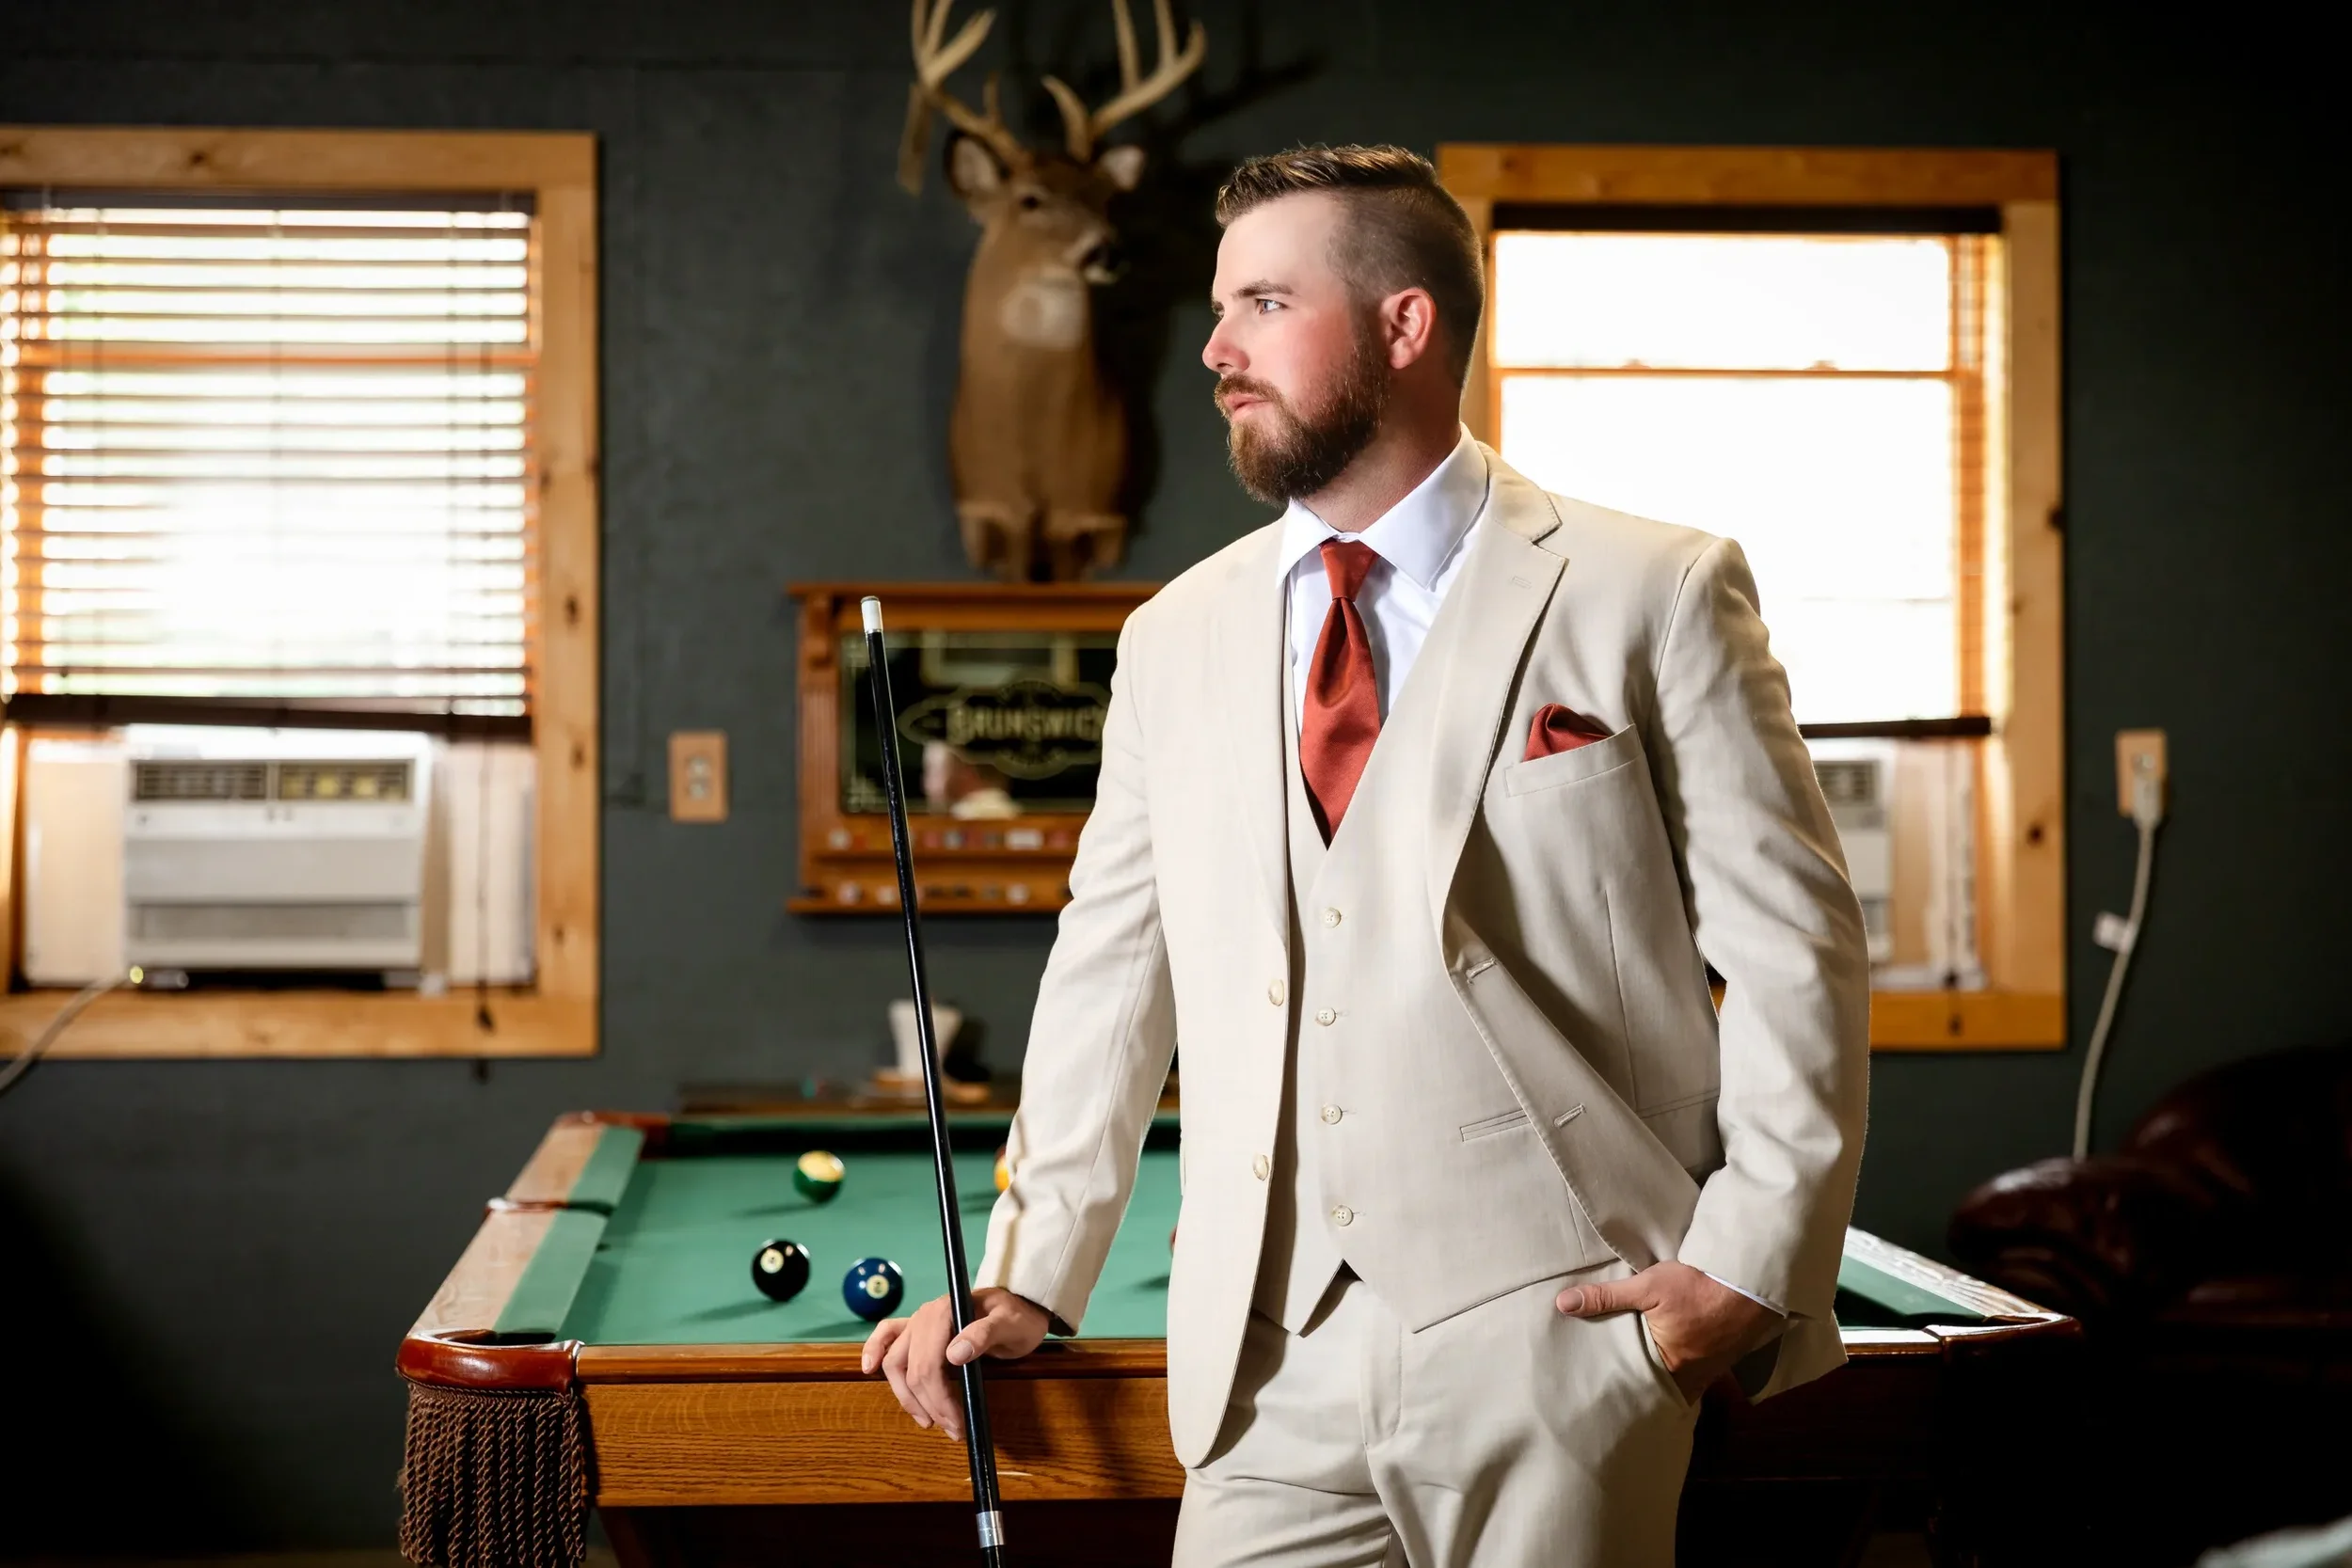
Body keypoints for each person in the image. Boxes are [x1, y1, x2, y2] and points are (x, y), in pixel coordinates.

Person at [862, 143, 1871, 1567]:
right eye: (1221, 308)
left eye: (1265, 303)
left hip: (1566, 1341)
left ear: (1405, 326)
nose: (1215, 348)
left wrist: (1748, 1267)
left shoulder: (1654, 589)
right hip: (1264, 1363)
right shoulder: (1173, 637)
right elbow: (1110, 974)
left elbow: (1796, 952)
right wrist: (1031, 1273)